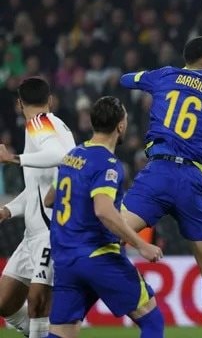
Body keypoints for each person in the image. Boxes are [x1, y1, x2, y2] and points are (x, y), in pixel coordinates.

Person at [120, 36, 202, 338]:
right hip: (191, 180)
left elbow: (127, 80)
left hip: (157, 173)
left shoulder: (164, 75)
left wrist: (148, 81)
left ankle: (134, 294)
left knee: (107, 237)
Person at [47, 96, 164, 338]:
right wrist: (141, 244)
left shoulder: (72, 155)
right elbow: (103, 210)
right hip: (98, 256)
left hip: (66, 258)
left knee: (62, 334)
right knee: (152, 321)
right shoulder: (108, 163)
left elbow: (50, 198)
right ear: (121, 126)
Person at [0, 77, 75, 338]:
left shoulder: (38, 122)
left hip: (50, 230)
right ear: (50, 99)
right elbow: (38, 186)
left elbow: (56, 156)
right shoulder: (57, 126)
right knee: (5, 303)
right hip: (33, 234)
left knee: (37, 302)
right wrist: (8, 210)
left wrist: (13, 159)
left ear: (19, 104)